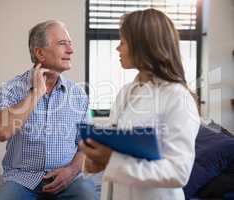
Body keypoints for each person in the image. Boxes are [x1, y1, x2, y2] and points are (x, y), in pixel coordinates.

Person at [79, 8, 200, 200]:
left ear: (143, 46)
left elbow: (178, 171)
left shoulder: (178, 98)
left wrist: (111, 161)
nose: (118, 48)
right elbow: (117, 146)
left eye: (123, 42)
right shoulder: (126, 92)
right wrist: (95, 160)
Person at [0, 20, 95, 200]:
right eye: (62, 44)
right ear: (40, 52)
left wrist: (71, 171)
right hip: (22, 180)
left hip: (67, 180)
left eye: (70, 44)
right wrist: (37, 92)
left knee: (88, 195)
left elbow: (86, 145)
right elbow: (1, 131)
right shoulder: (11, 89)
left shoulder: (78, 95)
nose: (71, 50)